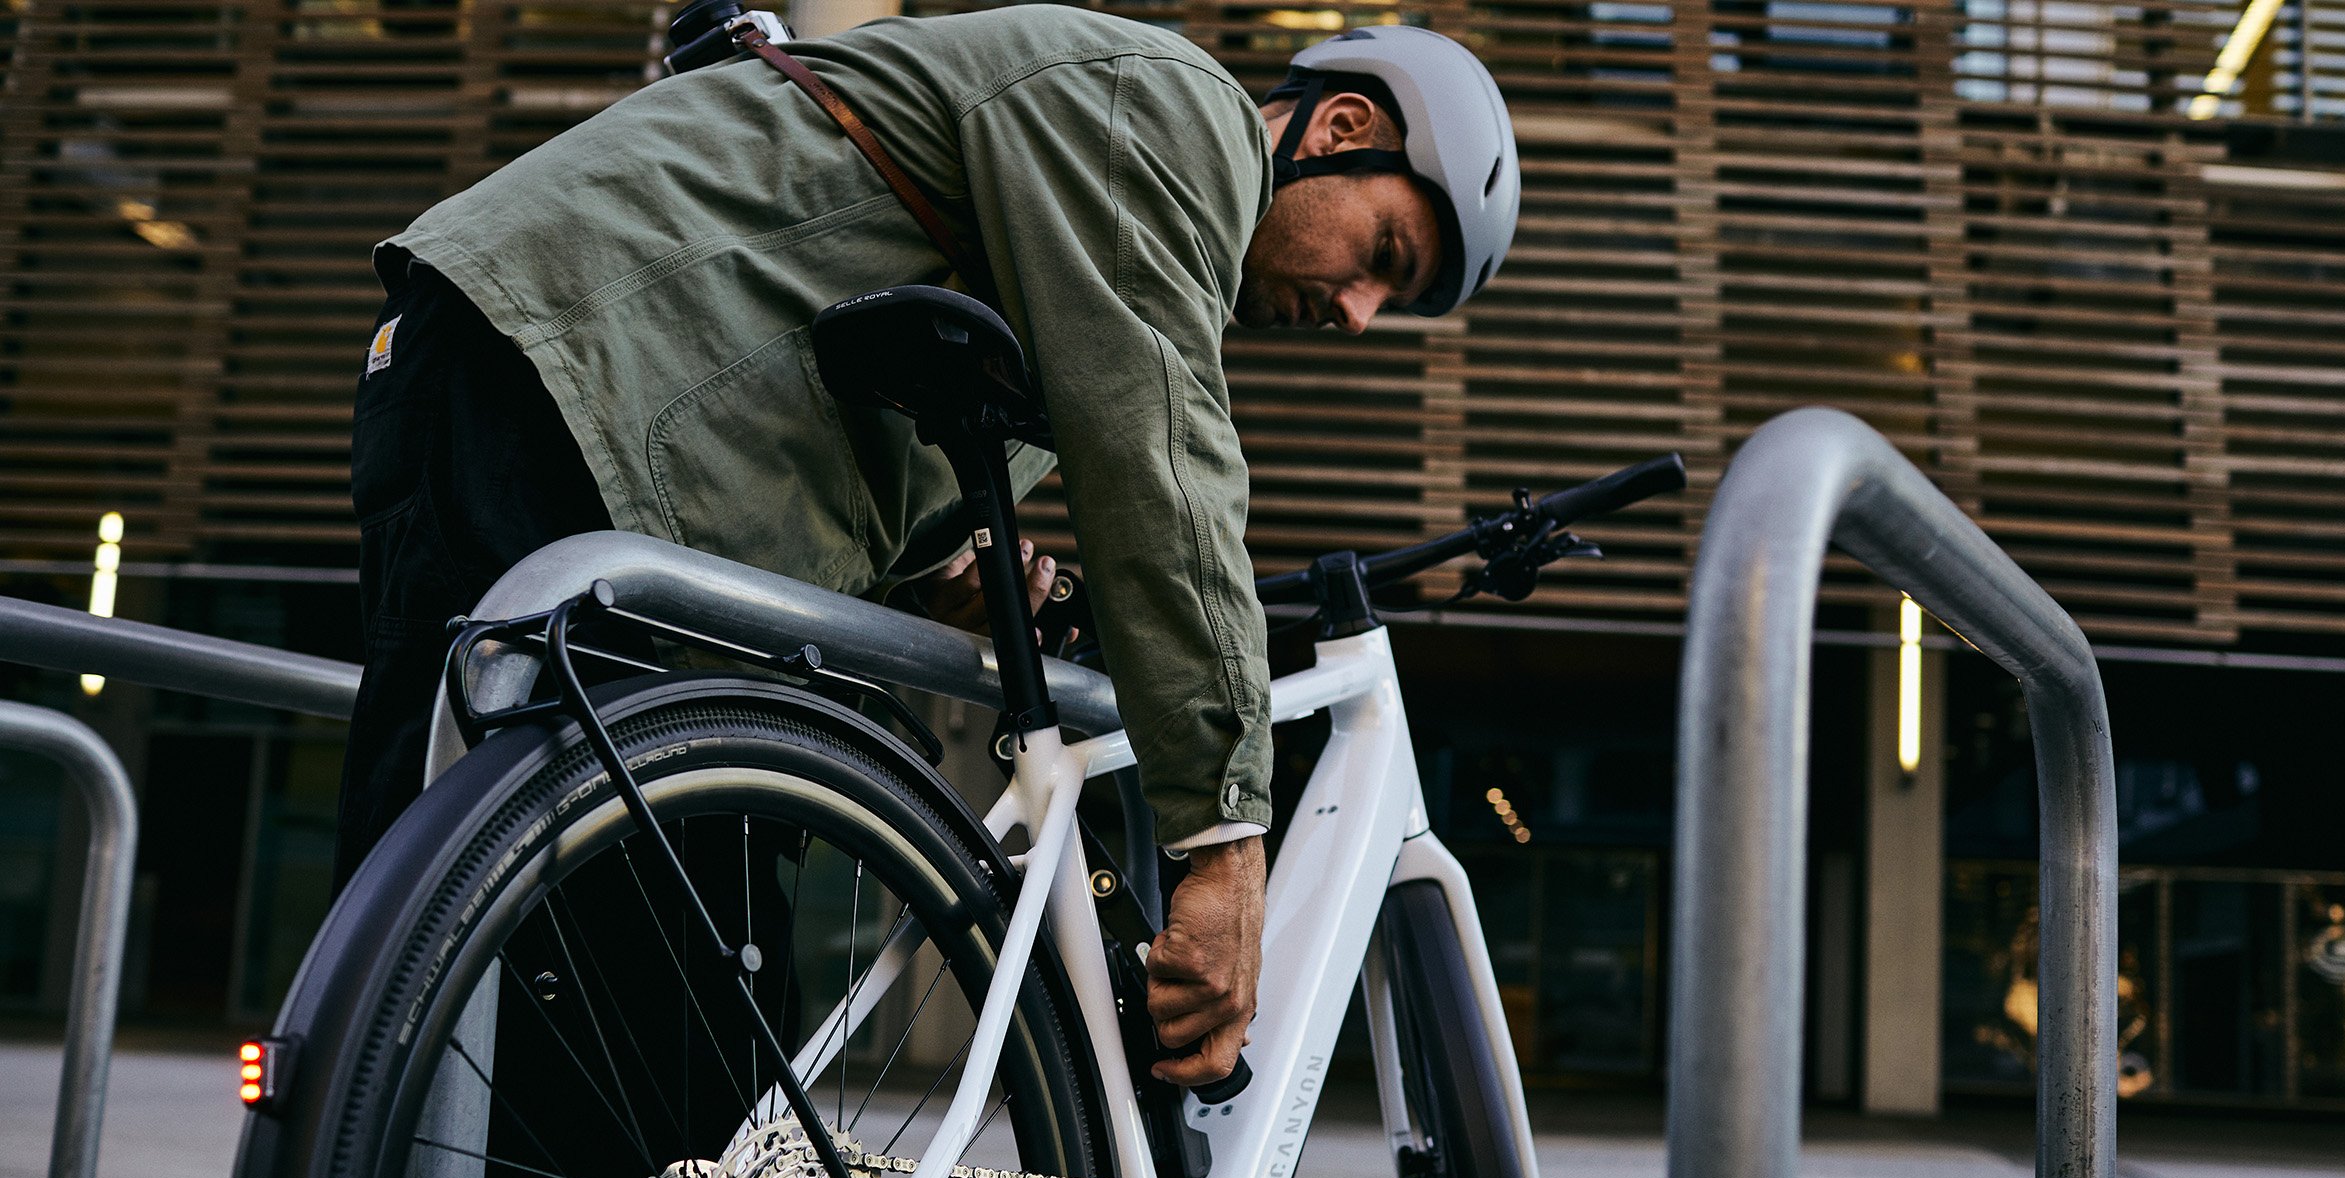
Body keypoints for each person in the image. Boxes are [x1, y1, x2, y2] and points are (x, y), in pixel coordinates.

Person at [337, 7, 1519, 1096]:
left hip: (565, 400)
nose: (1360, 313)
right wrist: (1222, 841)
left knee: (551, 988)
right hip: (556, 372)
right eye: (1385, 257)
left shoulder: (1090, 232)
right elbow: (1159, 458)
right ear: (1343, 127)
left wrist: (914, 573)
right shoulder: (1171, 108)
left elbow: (829, 338)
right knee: (549, 977)